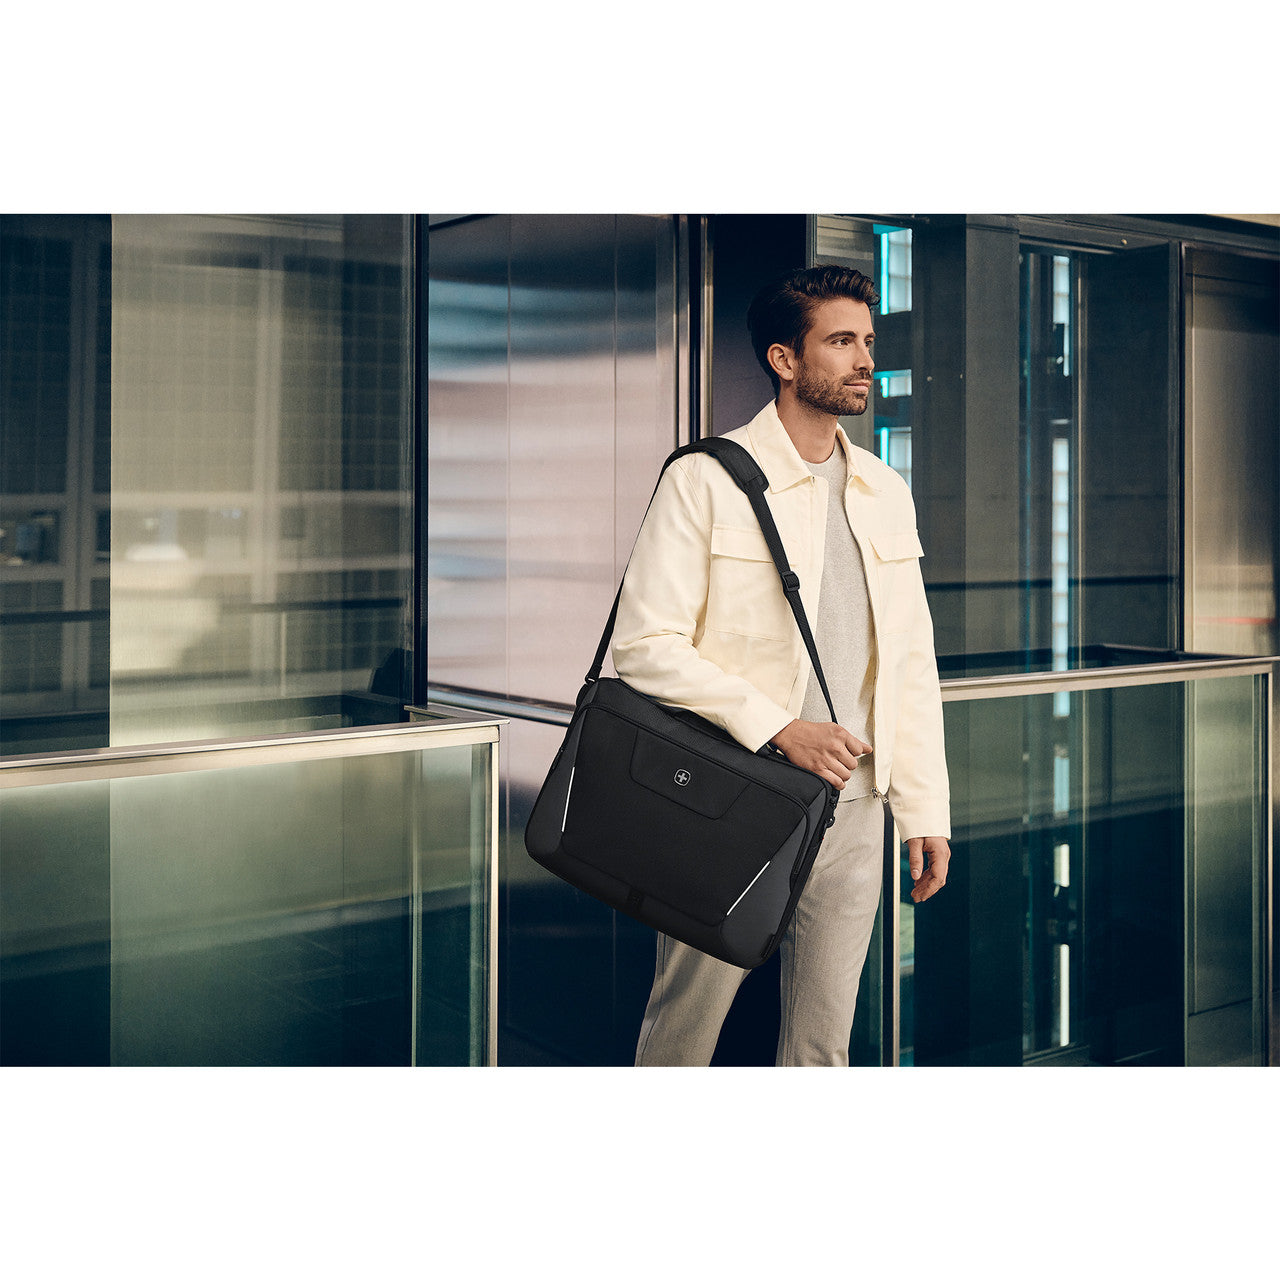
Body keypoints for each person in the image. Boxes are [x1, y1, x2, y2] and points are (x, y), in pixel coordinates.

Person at [611, 264, 951, 1066]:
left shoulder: (884, 488)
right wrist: (780, 730)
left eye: (867, 341)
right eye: (840, 341)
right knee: (683, 1036)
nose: (864, 357)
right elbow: (644, 646)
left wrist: (924, 804)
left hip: (859, 805)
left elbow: (908, 660)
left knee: (823, 1047)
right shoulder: (706, 478)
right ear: (784, 360)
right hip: (734, 796)